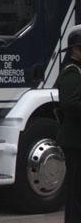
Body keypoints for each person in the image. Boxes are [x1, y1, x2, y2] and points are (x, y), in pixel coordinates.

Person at [58, 24, 81, 223]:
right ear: (75, 49)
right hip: (75, 141)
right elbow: (71, 103)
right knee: (75, 190)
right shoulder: (71, 72)